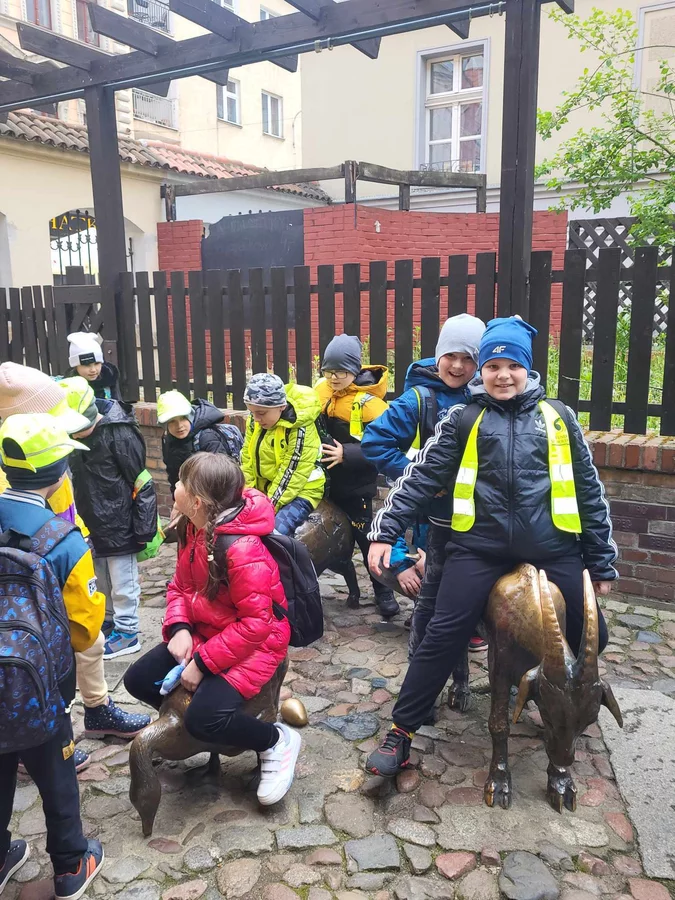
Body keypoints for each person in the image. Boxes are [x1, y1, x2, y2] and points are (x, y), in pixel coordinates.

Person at [365, 316, 616, 777]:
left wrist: (600, 562)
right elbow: (420, 477)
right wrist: (385, 530)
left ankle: (558, 701)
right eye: (493, 366)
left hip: (553, 547)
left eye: (513, 366)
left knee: (595, 632)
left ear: (528, 369)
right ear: (482, 370)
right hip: (478, 547)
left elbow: (588, 492)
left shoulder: (558, 417)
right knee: (443, 632)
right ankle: (401, 731)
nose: (503, 375)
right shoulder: (463, 418)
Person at [124, 453, 301, 806]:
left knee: (204, 718)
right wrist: (179, 627)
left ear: (197, 501)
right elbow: (180, 586)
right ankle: (187, 733)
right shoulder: (193, 527)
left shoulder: (242, 550)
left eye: (180, 483)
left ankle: (274, 741)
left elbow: (256, 624)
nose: (174, 487)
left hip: (257, 643)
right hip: (210, 631)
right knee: (138, 680)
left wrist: (202, 663)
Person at [0, 364, 150, 749]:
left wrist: (77, 535)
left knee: (86, 639)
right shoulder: (18, 465)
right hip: (34, 579)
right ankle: (38, 735)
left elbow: (66, 503)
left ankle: (95, 708)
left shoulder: (46, 455)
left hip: (65, 556)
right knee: (41, 653)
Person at [0, 414, 105, 900]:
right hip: (41, 687)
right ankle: (70, 864)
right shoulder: (63, 540)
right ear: (61, 474)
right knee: (56, 771)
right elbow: (84, 629)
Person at [361, 314, 486, 653]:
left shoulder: (486, 396)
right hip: (430, 515)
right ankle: (428, 615)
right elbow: (375, 442)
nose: (457, 366)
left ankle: (471, 621)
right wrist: (419, 475)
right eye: (450, 356)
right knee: (427, 567)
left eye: (468, 358)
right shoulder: (419, 398)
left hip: (475, 512)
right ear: (438, 354)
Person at [63, 378, 158, 660]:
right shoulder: (76, 437)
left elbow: (141, 482)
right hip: (93, 521)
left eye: (77, 429)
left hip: (121, 523)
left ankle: (128, 631)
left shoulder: (119, 433)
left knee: (123, 580)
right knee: (101, 578)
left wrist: (143, 528)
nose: (74, 435)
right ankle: (109, 620)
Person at [315, 334, 399, 619]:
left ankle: (383, 590)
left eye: (340, 371)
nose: (333, 377)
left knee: (366, 539)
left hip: (356, 486)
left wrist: (347, 454)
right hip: (325, 483)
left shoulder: (371, 405)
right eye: (328, 371)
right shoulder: (321, 392)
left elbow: (388, 444)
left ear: (354, 369)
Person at [241, 373, 325, 536]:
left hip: (301, 490)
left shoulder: (298, 429)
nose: (256, 418)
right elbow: (247, 458)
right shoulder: (255, 421)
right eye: (252, 412)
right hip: (266, 488)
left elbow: (292, 473)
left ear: (281, 406)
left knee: (274, 533)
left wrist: (267, 506)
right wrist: (247, 495)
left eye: (261, 413)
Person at [158, 389, 243, 498]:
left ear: (190, 416)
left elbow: (221, 478)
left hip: (213, 498)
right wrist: (178, 500)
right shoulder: (168, 440)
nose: (179, 426)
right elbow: (173, 475)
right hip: (190, 498)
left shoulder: (206, 437)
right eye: (172, 421)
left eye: (183, 418)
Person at [66, 332, 121, 401]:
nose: (93, 370)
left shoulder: (109, 378)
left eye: (97, 363)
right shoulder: (69, 386)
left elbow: (118, 403)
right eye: (87, 365)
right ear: (76, 365)